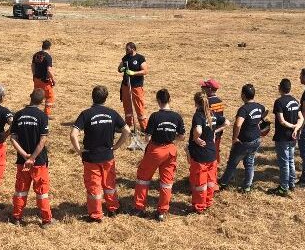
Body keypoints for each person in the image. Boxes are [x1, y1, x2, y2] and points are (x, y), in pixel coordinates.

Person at [70, 85, 130, 222]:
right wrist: (116, 146)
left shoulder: (86, 114)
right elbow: (127, 131)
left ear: (92, 97)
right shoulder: (112, 113)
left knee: (94, 186)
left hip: (91, 157)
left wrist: (79, 151)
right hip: (108, 156)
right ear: (106, 98)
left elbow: (73, 135)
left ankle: (96, 214)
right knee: (109, 184)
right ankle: (113, 208)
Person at [131, 88, 185, 221]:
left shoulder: (155, 116)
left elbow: (148, 138)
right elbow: (182, 136)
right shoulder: (177, 116)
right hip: (171, 150)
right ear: (169, 100)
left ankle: (139, 207)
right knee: (166, 182)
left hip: (156, 150)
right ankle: (162, 211)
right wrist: (172, 140)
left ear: (158, 101)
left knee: (143, 178)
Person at [9, 89, 53, 227]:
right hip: (38, 161)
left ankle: (16, 217)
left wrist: (24, 155)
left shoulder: (18, 115)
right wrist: (33, 158)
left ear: (30, 97)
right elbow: (42, 141)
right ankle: (46, 220)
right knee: (42, 192)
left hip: (22, 162)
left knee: (21, 190)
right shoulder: (42, 116)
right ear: (42, 101)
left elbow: (13, 138)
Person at [218, 84, 267, 193]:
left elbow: (238, 124)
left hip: (244, 141)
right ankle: (247, 186)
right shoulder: (259, 106)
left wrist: (235, 138)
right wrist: (259, 120)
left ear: (243, 95)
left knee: (232, 163)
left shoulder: (243, 109)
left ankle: (223, 182)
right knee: (249, 162)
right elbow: (265, 111)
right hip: (256, 139)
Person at [268, 79, 303, 196]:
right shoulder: (295, 101)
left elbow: (281, 121)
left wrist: (293, 126)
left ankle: (284, 187)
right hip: (293, 137)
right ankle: (291, 183)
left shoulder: (279, 102)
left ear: (280, 88)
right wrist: (296, 128)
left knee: (284, 163)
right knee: (291, 160)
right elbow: (301, 118)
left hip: (282, 136)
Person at [187, 92, 220, 212]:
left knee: (200, 183)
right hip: (212, 153)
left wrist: (196, 138)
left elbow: (198, 129)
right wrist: (214, 133)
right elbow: (226, 122)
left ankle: (199, 206)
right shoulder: (212, 114)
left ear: (196, 102)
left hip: (200, 155)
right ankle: (208, 201)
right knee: (211, 181)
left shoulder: (198, 115)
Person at [117, 42, 148, 147]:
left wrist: (133, 73)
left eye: (128, 49)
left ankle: (144, 127)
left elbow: (145, 71)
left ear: (133, 49)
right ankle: (128, 125)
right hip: (126, 86)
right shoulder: (125, 57)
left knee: (139, 106)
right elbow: (119, 68)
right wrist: (121, 69)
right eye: (126, 49)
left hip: (136, 86)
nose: (126, 51)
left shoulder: (140, 58)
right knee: (127, 106)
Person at [199, 79, 230, 174]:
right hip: (218, 131)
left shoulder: (206, 102)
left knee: (207, 154)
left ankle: (209, 172)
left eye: (204, 87)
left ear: (209, 89)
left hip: (209, 132)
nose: (202, 89)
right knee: (215, 150)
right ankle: (215, 168)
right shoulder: (220, 101)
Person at [32, 40, 55, 116]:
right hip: (45, 81)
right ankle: (46, 114)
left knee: (37, 95)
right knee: (49, 97)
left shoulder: (36, 55)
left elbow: (33, 66)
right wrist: (53, 79)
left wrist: (34, 75)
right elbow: (49, 70)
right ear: (49, 48)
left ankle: (34, 111)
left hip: (36, 79)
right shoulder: (48, 57)